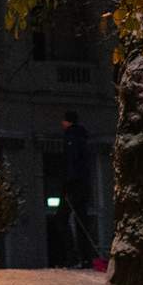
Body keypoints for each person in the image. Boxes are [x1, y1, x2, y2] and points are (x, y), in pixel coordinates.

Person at [58, 111, 97, 267]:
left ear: (67, 121)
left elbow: (71, 163)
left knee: (62, 218)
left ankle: (73, 256)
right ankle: (85, 257)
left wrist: (67, 185)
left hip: (74, 186)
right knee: (81, 219)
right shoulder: (82, 138)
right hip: (82, 185)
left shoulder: (71, 138)